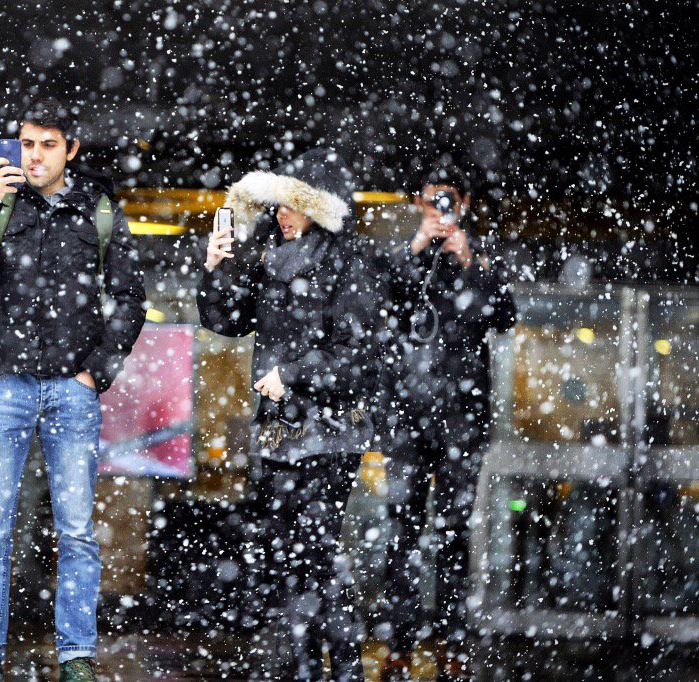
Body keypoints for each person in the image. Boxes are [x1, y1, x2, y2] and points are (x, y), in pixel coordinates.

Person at [0, 99, 146, 682]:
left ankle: (76, 655)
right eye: (27, 144)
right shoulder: (0, 201)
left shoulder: (99, 210)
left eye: (48, 145)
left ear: (70, 150)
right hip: (1, 385)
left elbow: (131, 298)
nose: (34, 156)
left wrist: (96, 371)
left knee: (77, 531)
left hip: (70, 389)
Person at [196, 148, 386, 681]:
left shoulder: (350, 263)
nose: (283, 214)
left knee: (315, 554)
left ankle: (341, 668)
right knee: (291, 556)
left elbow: (358, 356)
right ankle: (309, 667)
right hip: (281, 432)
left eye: (295, 205)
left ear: (321, 209)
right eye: (280, 204)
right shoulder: (271, 257)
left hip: (330, 431)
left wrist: (294, 374)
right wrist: (215, 268)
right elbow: (226, 321)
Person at [378, 166, 516, 682]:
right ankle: (399, 643)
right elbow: (380, 303)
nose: (440, 208)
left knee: (455, 534)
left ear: (465, 203)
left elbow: (504, 317)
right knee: (402, 534)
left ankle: (451, 642)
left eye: (448, 199)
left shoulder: (479, 258)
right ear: (418, 203)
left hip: (462, 420)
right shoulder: (404, 258)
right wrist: (418, 246)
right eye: (432, 199)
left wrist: (470, 262)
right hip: (408, 420)